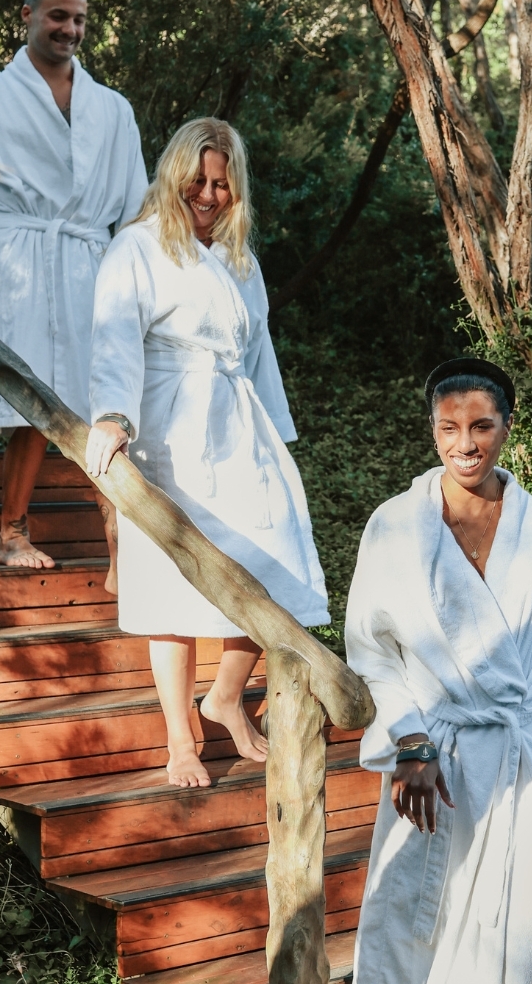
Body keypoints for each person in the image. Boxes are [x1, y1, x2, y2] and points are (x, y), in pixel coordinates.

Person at [84, 117, 329, 788]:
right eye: (197, 180)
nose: (209, 194)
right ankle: (178, 740)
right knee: (171, 582)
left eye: (221, 183)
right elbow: (114, 338)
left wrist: (275, 437)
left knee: (268, 563)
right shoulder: (135, 247)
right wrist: (112, 418)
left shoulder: (239, 260)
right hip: (165, 426)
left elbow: (259, 356)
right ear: (174, 177)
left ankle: (224, 696)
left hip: (237, 426)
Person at [345, 358, 532, 984]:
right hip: (434, 752)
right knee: (411, 913)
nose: (465, 445)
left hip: (521, 754)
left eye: (481, 427)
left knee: (511, 929)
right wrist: (411, 742)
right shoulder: (396, 525)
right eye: (448, 428)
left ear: (507, 428)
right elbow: (372, 651)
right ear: (432, 429)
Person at [0, 0, 147, 582]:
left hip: (91, 262)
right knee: (26, 396)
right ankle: (11, 530)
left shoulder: (113, 108)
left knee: (104, 396)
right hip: (19, 256)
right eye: (58, 16)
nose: (70, 29)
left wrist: (141, 280)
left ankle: (118, 538)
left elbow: (135, 206)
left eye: (78, 19)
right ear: (27, 15)